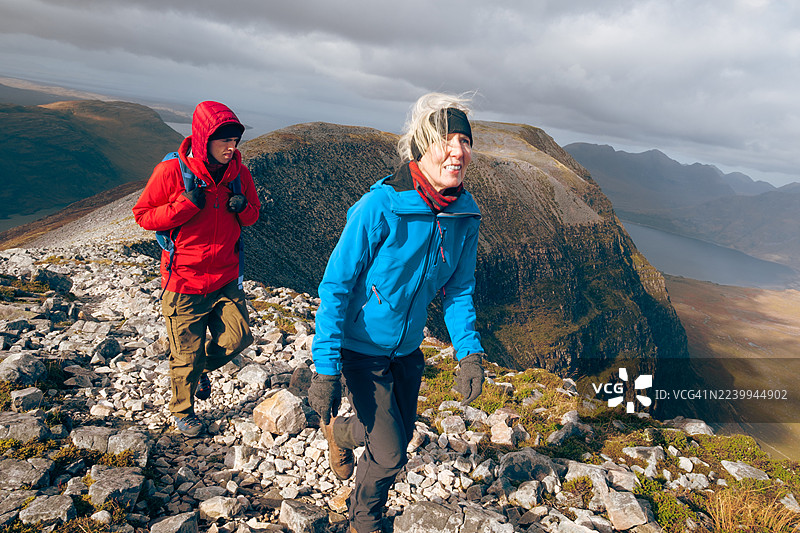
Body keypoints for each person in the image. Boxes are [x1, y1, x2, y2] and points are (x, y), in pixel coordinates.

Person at [308, 92, 486, 533]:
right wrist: (326, 369)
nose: (458, 151)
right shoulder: (381, 207)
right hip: (360, 347)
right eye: (448, 139)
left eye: (465, 141)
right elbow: (336, 287)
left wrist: (469, 353)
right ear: (423, 145)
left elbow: (458, 289)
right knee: (388, 454)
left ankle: (341, 432)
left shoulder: (464, 215)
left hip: (407, 350)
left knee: (398, 439)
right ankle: (362, 522)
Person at [133, 101, 261, 437]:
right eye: (224, 142)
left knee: (240, 337)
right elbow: (143, 215)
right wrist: (184, 205)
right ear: (204, 139)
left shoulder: (239, 175)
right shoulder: (173, 171)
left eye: (235, 142)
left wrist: (243, 206)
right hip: (184, 281)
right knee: (185, 353)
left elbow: (253, 216)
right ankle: (183, 410)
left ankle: (195, 368)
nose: (232, 149)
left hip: (225, 277)